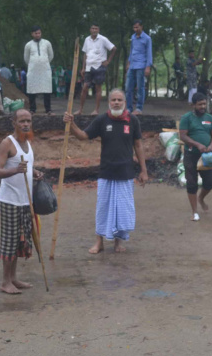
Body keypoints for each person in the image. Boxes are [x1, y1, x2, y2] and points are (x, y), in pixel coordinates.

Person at [63, 89, 148, 254]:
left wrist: (143, 170)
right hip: (106, 171)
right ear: (109, 102)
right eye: (113, 100)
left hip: (125, 173)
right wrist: (71, 124)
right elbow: (83, 136)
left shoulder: (133, 121)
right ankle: (99, 242)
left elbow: (138, 145)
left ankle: (117, 243)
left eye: (120, 100)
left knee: (121, 210)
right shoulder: (102, 120)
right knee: (103, 207)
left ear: (125, 102)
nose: (116, 102)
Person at [0, 109, 44, 294]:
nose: (25, 124)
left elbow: (27, 167)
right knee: (9, 241)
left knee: (19, 241)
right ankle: (5, 281)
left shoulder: (28, 143)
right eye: (22, 121)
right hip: (9, 200)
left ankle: (13, 278)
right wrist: (15, 170)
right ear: (13, 122)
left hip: (25, 201)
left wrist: (34, 172)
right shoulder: (7, 143)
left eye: (28, 121)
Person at [179, 92, 212, 221]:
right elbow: (183, 136)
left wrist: (211, 146)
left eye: (204, 104)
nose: (203, 106)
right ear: (193, 105)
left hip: (207, 155)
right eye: (200, 104)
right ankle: (194, 211)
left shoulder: (209, 118)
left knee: (210, 182)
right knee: (191, 183)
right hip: (191, 155)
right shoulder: (186, 118)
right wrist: (197, 144)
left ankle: (201, 198)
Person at [79, 24, 116, 115]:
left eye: (96, 28)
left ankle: (96, 110)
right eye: (92, 28)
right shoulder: (87, 39)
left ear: (98, 30)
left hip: (99, 66)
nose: (94, 30)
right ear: (90, 29)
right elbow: (85, 54)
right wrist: (83, 68)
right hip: (88, 66)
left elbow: (114, 48)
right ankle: (80, 109)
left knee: (98, 88)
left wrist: (108, 61)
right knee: (84, 87)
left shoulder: (103, 39)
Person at [24, 25, 54, 114]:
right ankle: (32, 109)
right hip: (33, 70)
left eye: (39, 33)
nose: (38, 35)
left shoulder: (47, 43)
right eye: (36, 33)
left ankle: (48, 109)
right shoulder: (28, 45)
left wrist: (43, 62)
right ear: (32, 34)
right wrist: (34, 64)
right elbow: (26, 58)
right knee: (32, 89)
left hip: (45, 70)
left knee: (47, 90)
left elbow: (51, 56)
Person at [125, 19, 152, 115]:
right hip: (132, 64)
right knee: (128, 87)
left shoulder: (147, 38)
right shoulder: (133, 37)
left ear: (141, 27)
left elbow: (149, 53)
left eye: (137, 27)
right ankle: (128, 108)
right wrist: (128, 62)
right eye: (134, 27)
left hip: (141, 65)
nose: (136, 29)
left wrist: (148, 66)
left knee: (140, 88)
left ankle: (139, 108)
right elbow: (132, 51)